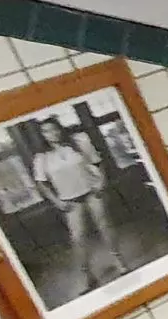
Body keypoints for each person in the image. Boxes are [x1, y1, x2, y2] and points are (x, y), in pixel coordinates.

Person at [30, 117, 120, 291]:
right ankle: (88, 275)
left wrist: (101, 181)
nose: (52, 133)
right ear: (43, 135)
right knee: (78, 237)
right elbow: (41, 183)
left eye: (54, 129)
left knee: (105, 225)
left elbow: (97, 162)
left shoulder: (79, 143)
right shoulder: (42, 157)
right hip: (69, 199)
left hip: (91, 191)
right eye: (47, 131)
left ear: (60, 129)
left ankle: (119, 261)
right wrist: (56, 202)